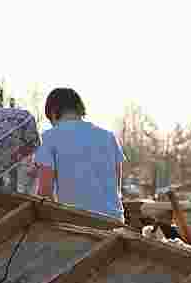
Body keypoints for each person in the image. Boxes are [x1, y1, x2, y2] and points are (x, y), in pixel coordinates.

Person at [31, 88, 126, 222]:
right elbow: (116, 187)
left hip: (76, 224)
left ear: (53, 112)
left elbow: (45, 193)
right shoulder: (109, 137)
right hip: (115, 221)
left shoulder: (48, 138)